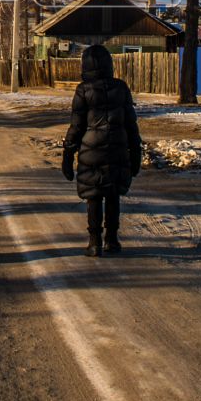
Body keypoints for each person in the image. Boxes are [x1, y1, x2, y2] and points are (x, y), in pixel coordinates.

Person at [60, 43, 143, 257]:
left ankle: (94, 241)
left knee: (94, 195)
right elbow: (131, 124)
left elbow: (76, 126)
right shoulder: (121, 87)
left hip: (90, 149)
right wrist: (136, 153)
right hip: (117, 147)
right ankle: (112, 240)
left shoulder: (83, 90)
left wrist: (68, 154)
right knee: (113, 194)